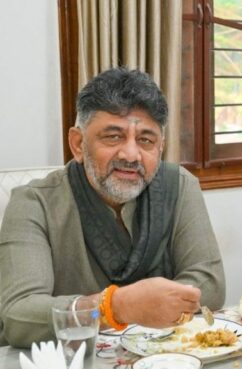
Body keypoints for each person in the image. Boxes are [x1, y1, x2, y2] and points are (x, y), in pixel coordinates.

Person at [0, 68, 226, 347]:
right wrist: (114, 307)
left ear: (160, 148)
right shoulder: (33, 203)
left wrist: (145, 306)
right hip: (73, 364)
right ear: (78, 144)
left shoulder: (179, 186)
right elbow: (19, 316)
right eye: (113, 136)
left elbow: (210, 285)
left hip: (165, 357)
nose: (131, 155)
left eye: (146, 140)